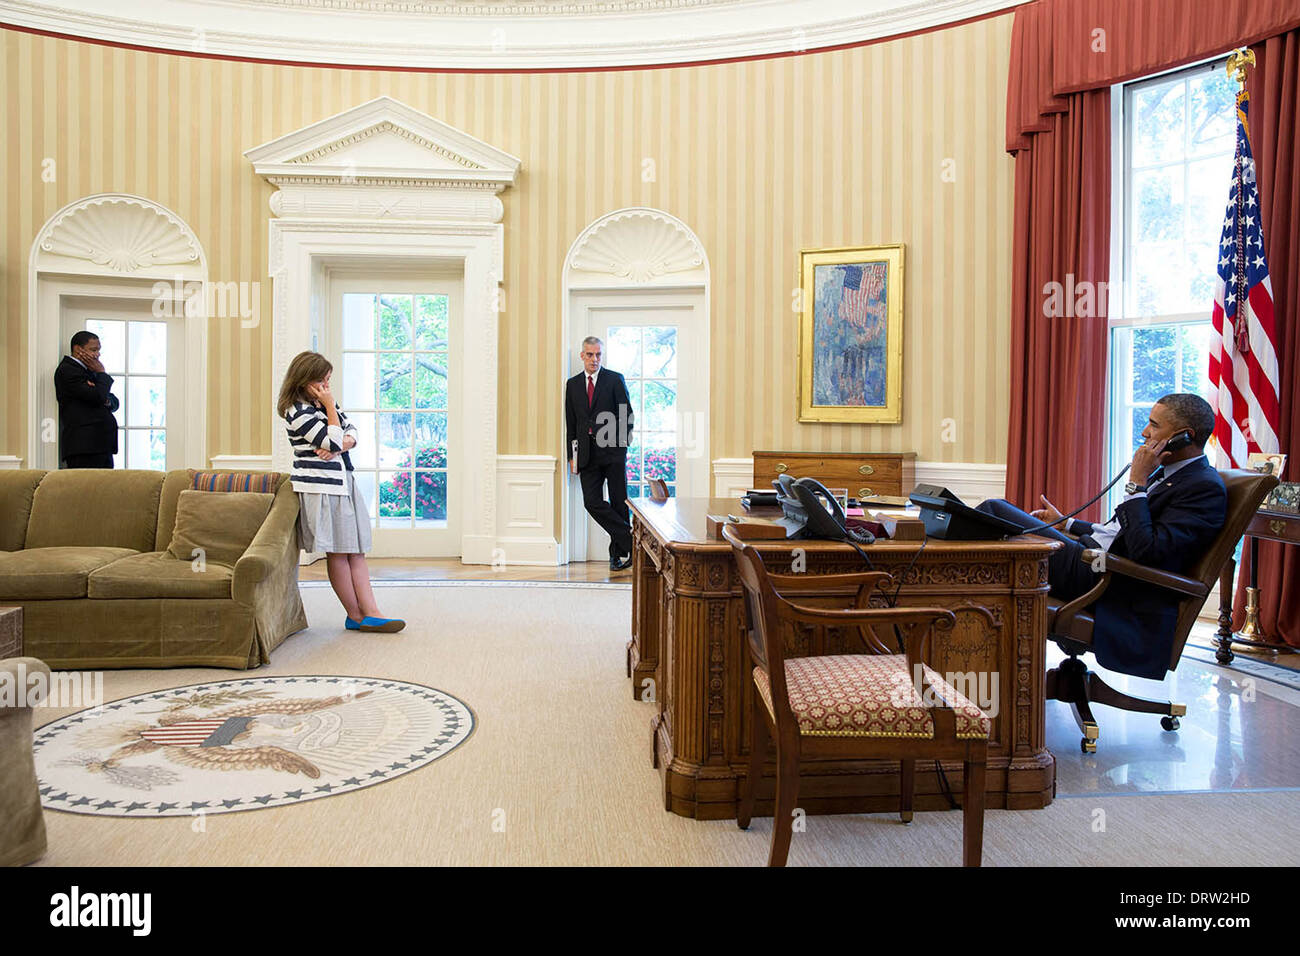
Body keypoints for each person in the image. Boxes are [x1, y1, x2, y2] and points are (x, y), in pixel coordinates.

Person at [975, 393, 1226, 679]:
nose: (1145, 432)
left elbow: (1148, 551)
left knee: (995, 512)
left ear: (1184, 436)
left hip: (1104, 577)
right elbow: (1119, 532)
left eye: (1154, 425)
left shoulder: (1204, 488)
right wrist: (1066, 524)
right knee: (1000, 521)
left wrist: (1137, 483)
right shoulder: (1169, 472)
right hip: (1091, 556)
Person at [277, 350, 405, 633]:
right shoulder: (296, 411)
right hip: (323, 489)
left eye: (328, 381)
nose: (327, 388)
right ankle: (355, 615)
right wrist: (333, 415)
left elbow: (351, 432)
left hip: (343, 481)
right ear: (306, 381)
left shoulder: (323, 407)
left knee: (355, 551)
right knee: (338, 553)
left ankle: (371, 613)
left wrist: (343, 441)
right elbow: (333, 439)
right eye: (323, 381)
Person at [565, 336, 635, 572]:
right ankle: (632, 540)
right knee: (592, 502)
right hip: (586, 455)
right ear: (582, 356)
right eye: (590, 355)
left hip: (613, 453)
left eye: (598, 355)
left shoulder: (614, 379)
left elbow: (626, 415)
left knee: (618, 503)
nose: (595, 359)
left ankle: (617, 556)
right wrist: (571, 455)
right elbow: (571, 423)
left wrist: (620, 448)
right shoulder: (572, 384)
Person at [55, 330, 119, 468]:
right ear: (78, 349)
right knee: (86, 489)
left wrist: (104, 397)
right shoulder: (68, 370)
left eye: (99, 350)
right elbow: (97, 396)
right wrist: (101, 373)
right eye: (93, 350)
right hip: (84, 447)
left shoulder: (89, 371)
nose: (98, 354)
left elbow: (113, 401)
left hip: (101, 446)